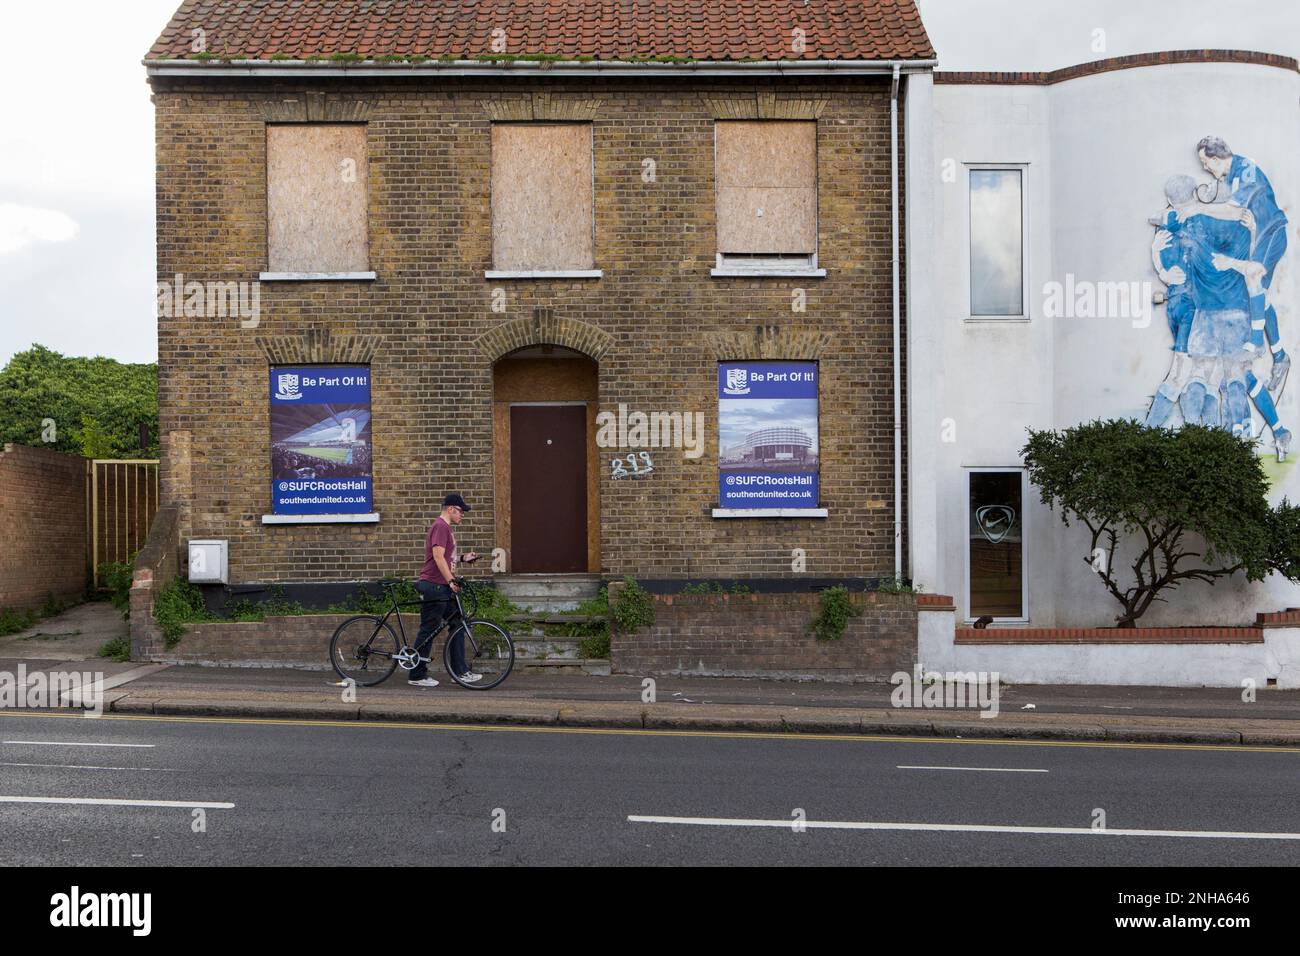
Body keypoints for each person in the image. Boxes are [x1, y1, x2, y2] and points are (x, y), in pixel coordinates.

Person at [408, 493, 480, 687]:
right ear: (450, 509)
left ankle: (460, 672)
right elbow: (438, 557)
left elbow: (446, 558)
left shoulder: (445, 528)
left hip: (441, 586)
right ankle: (416, 675)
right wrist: (450, 580)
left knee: (457, 623)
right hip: (435, 586)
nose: (463, 514)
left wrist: (463, 558)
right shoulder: (440, 526)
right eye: (461, 511)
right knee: (428, 629)